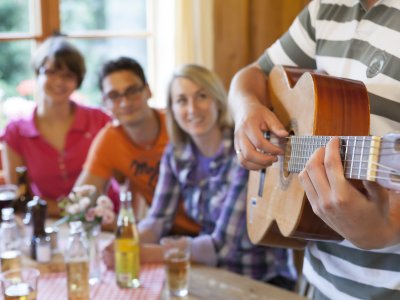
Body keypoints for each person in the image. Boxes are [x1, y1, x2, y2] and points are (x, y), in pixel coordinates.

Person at [228, 0, 400, 299]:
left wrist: (386, 231)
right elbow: (251, 75)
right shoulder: (325, 8)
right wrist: (246, 109)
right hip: (317, 282)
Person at [104, 64, 297, 289]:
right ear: (172, 110)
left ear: (217, 100)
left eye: (201, 96)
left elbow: (221, 247)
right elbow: (158, 220)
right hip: (212, 275)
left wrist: (143, 253)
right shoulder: (176, 153)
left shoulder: (245, 150)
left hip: (261, 280)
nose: (193, 109)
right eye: (182, 101)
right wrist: (127, 242)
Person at [75, 57, 199, 234]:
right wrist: (124, 224)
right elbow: (79, 202)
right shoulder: (110, 140)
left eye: (132, 91)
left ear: (148, 91)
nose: (125, 102)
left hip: (209, 232)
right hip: (162, 234)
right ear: (105, 103)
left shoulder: (179, 124)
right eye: (114, 96)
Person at [1, 37, 111, 216]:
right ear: (38, 74)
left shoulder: (99, 121)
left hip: (103, 220)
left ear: (78, 80)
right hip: (46, 222)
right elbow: (19, 196)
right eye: (51, 72)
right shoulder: (16, 132)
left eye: (68, 75)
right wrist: (69, 212)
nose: (59, 81)